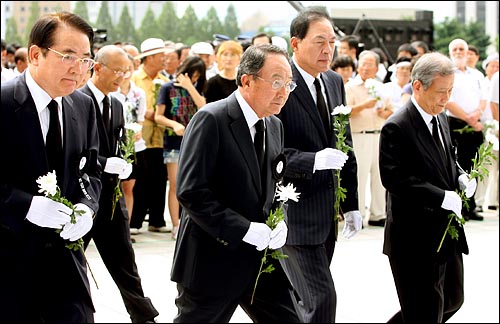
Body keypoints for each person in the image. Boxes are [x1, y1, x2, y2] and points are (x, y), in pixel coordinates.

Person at [170, 44, 300, 323]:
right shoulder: (211, 119)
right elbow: (191, 192)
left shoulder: (274, 125)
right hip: (213, 259)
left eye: (289, 84)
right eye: (276, 82)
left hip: (261, 261)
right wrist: (243, 229)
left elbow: (275, 184)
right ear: (246, 80)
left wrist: (281, 220)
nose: (284, 91)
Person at [0, 11, 101, 322]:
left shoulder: (82, 104)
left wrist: (87, 207)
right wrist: (25, 205)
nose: (79, 68)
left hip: (67, 264)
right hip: (9, 263)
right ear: (35, 54)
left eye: (86, 59)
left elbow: (91, 170)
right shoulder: (4, 104)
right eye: (67, 56)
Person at [276, 6, 362, 322]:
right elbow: (270, 151)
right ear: (295, 43)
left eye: (332, 42)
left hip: (327, 213)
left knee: (305, 304)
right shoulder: (278, 81)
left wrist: (351, 203)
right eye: (319, 41)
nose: (328, 50)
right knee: (322, 301)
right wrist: (312, 161)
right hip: (294, 214)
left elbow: (345, 145)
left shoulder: (335, 81)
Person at [379, 51, 475, 323]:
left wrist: (460, 176)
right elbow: (394, 178)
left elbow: (447, 159)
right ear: (418, 86)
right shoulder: (397, 126)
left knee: (453, 299)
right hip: (413, 236)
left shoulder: (441, 117)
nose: (447, 99)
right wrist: (441, 197)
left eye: (450, 91)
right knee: (425, 308)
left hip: (446, 232)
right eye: (441, 92)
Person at [79, 45, 159, 323]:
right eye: (117, 70)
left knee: (124, 259)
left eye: (126, 71)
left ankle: (143, 315)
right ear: (97, 68)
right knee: (73, 262)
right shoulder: (77, 99)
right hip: (83, 196)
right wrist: (102, 163)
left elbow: (118, 141)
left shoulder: (116, 103)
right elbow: (75, 152)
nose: (123, 76)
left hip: (111, 196)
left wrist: (125, 158)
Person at [155, 55, 207, 240]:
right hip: (173, 144)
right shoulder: (167, 88)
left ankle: (190, 221)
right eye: (192, 75)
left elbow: (203, 107)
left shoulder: (196, 89)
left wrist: (190, 86)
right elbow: (158, 116)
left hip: (194, 144)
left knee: (194, 184)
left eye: (197, 76)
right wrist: (174, 125)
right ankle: (176, 225)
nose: (194, 79)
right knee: (175, 185)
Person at [345, 50, 394, 227]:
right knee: (360, 175)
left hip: (379, 135)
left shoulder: (381, 87)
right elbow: (345, 111)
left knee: (380, 176)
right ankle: (358, 212)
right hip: (360, 135)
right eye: (363, 63)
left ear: (377, 67)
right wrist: (364, 105)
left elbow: (391, 110)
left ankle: (378, 213)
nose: (366, 67)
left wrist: (384, 112)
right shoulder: (350, 87)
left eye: (370, 64)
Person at [129, 38, 171, 234]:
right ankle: (135, 222)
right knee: (140, 180)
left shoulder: (165, 82)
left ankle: (157, 220)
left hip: (161, 138)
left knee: (160, 179)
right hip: (141, 139)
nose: (165, 59)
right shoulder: (134, 80)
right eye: (161, 56)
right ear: (150, 57)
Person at [445, 38, 487, 221]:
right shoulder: (447, 73)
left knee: (474, 165)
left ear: (467, 51)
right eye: (455, 49)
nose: (459, 52)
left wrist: (476, 115)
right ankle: (458, 205)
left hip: (475, 124)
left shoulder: (477, 75)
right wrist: (467, 118)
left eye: (462, 49)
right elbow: (448, 100)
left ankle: (471, 205)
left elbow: (483, 99)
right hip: (455, 123)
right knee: (457, 165)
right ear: (450, 52)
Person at [110, 53, 147, 221]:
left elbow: (140, 118)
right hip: (115, 144)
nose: (126, 73)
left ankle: (127, 225)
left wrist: (137, 130)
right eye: (122, 70)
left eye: (129, 69)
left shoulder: (139, 93)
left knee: (129, 186)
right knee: (113, 187)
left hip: (134, 144)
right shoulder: (112, 93)